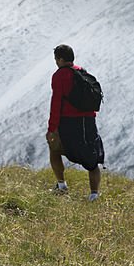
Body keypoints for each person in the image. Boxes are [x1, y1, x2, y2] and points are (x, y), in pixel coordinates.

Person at [47, 44, 104, 201]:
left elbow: (56, 103)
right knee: (92, 158)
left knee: (55, 150)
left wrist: (52, 128)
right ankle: (94, 194)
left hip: (69, 121)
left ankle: (61, 185)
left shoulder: (60, 76)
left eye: (56, 59)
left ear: (60, 59)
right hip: (88, 121)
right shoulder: (82, 72)